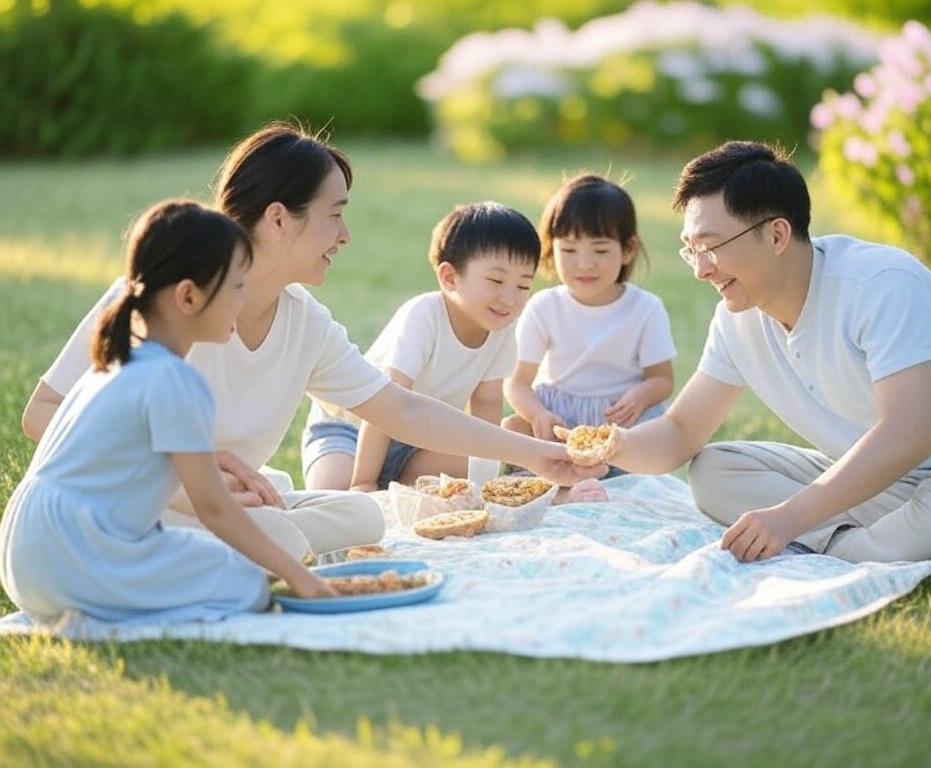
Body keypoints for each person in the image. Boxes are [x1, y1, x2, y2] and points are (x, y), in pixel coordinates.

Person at [20, 123, 603, 562]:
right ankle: (244, 546)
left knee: (361, 517)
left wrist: (535, 455)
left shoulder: (304, 319)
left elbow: (397, 408)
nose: (345, 236)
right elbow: (41, 413)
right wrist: (194, 473)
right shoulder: (167, 293)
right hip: (133, 500)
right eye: (334, 216)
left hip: (234, 504)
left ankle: (252, 540)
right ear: (279, 218)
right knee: (276, 533)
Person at [598, 140, 931, 568]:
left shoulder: (881, 284)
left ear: (777, 234)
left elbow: (908, 436)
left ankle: (839, 545)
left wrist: (788, 519)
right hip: (877, 486)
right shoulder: (737, 317)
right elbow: (680, 433)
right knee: (713, 471)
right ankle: (864, 544)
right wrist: (605, 449)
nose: (700, 269)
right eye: (691, 248)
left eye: (710, 247)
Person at [1, 200, 338, 625]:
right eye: (237, 286)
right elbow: (213, 507)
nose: (242, 299)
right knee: (246, 583)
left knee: (224, 561)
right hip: (74, 556)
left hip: (23, 559)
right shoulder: (175, 380)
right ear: (189, 295)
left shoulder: (115, 364)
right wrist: (299, 577)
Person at [302, 201, 539, 492]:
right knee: (335, 499)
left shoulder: (501, 328)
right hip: (352, 429)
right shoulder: (424, 316)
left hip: (418, 441)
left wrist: (485, 482)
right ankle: (370, 482)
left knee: (476, 469)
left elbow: (487, 406)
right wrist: (363, 482)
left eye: (523, 286)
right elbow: (385, 407)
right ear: (450, 278)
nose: (509, 298)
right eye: (496, 280)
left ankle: (402, 487)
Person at [503, 173, 676, 481]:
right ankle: (560, 469)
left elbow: (662, 380)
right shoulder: (544, 306)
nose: (584, 264)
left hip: (622, 420)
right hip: (560, 421)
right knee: (514, 428)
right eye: (569, 250)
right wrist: (539, 415)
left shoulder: (645, 308)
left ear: (628, 250)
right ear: (551, 249)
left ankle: (604, 472)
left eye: (599, 250)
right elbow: (516, 384)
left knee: (659, 431)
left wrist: (639, 396)